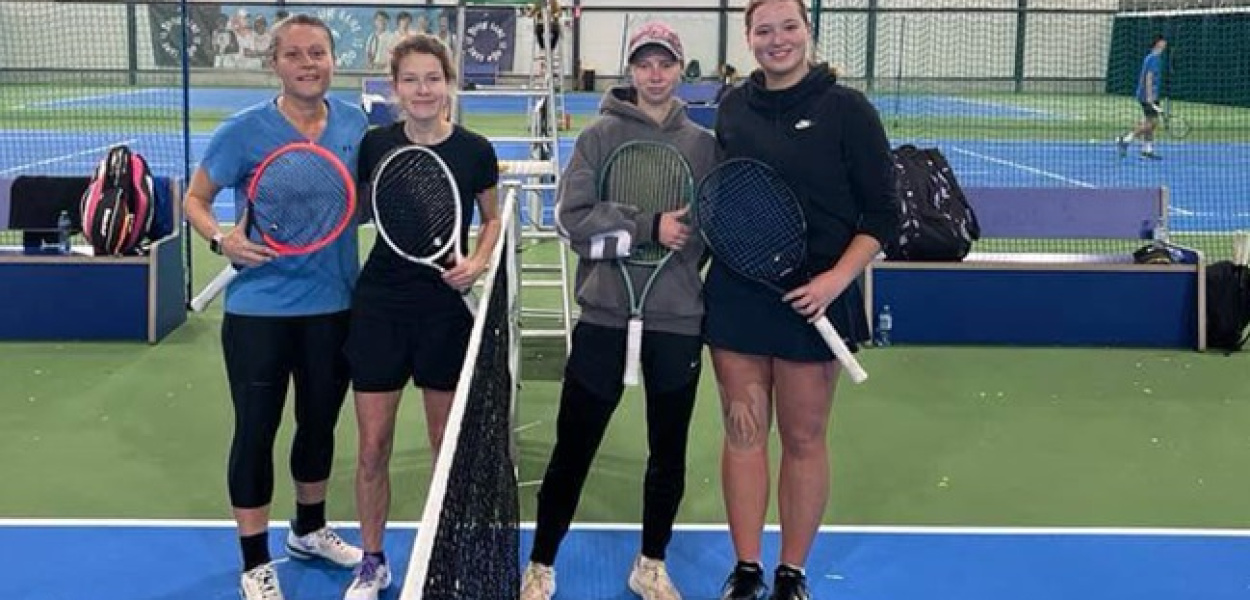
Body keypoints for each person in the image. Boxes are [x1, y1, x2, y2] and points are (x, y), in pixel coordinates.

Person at [520, 21, 717, 600]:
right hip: (604, 317)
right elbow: (571, 224)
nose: (655, 75)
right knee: (573, 449)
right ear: (630, 71)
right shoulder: (599, 137)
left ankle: (651, 563)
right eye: (644, 64)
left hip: (676, 321)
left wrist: (680, 254)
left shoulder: (703, 147)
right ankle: (541, 563)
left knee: (668, 454)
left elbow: (709, 229)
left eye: (665, 64)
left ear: (680, 70)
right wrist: (646, 227)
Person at [707, 0, 898, 598]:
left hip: (815, 299)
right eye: (764, 30)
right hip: (739, 295)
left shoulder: (848, 110)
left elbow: (883, 215)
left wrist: (835, 280)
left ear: (808, 32)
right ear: (749, 38)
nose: (778, 39)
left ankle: (791, 572)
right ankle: (746, 570)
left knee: (804, 439)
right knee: (743, 434)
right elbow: (727, 193)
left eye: (789, 26)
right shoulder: (733, 107)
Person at [182, 13, 368, 600]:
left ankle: (309, 529)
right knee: (256, 430)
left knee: (319, 424)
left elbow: (365, 200)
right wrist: (222, 240)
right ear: (274, 64)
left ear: (333, 60)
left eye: (318, 53)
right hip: (260, 313)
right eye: (294, 54)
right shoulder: (243, 131)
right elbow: (195, 199)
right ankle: (255, 561)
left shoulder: (356, 124)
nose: (308, 64)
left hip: (334, 306)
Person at [342, 33, 503, 600]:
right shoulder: (375, 145)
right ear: (394, 88)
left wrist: (477, 262)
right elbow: (357, 209)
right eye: (410, 79)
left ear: (449, 83)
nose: (423, 89)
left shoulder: (475, 151)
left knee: (444, 446)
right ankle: (372, 561)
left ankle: (443, 553)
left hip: (444, 311)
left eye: (433, 78)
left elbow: (491, 218)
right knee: (372, 447)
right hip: (380, 309)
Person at [1117, 35, 1167, 160]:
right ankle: (1126, 139)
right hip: (1147, 96)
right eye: (1162, 42)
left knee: (1150, 122)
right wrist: (1149, 97)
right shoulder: (1153, 58)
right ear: (1157, 43)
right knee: (1152, 122)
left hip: (1151, 95)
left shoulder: (1154, 58)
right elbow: (1148, 77)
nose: (1165, 44)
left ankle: (1147, 150)